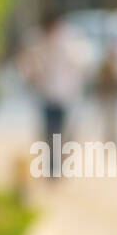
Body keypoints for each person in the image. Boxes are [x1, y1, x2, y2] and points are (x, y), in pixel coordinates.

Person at [17, 11, 92, 177]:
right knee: (48, 130)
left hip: (65, 95)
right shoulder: (35, 41)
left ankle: (57, 165)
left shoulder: (71, 39)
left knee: (60, 131)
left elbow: (81, 64)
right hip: (44, 94)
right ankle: (50, 165)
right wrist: (31, 76)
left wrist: (76, 85)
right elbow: (26, 65)